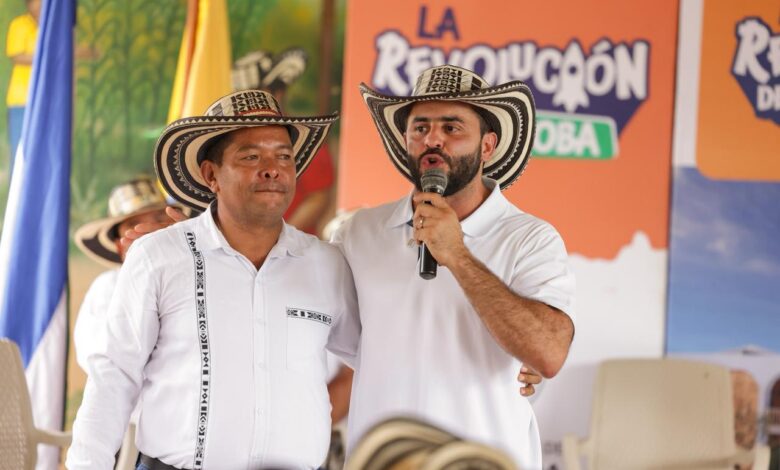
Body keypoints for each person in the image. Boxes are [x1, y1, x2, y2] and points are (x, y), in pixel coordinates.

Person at [67, 89, 360, 470]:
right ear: (211, 175)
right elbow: (113, 376)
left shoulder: (326, 264)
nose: (272, 168)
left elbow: (373, 358)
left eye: (283, 156)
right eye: (250, 156)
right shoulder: (159, 256)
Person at [334, 65, 576, 469]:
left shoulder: (530, 238)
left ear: (487, 146)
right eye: (420, 127)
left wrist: (458, 255)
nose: (433, 139)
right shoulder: (358, 232)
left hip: (486, 461)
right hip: (382, 460)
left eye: (452, 127)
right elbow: (325, 329)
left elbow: (548, 354)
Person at [232, 47, 335, 235]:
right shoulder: (232, 140)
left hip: (293, 246)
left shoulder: (305, 139)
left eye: (256, 95)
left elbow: (318, 198)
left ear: (277, 93)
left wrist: (278, 237)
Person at [5, 0, 40, 173]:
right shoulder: (19, 25)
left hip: (44, 102)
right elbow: (16, 56)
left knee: (40, 151)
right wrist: (46, 57)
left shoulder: (50, 28)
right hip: (21, 100)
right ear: (29, 4)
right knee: (20, 151)